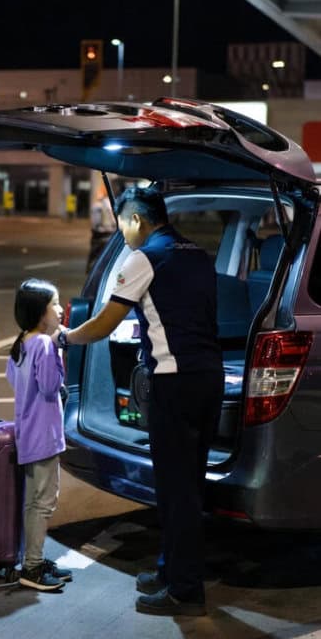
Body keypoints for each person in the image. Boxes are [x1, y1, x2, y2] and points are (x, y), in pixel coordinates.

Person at [58, 186, 223, 616]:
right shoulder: (197, 253)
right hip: (209, 379)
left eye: (122, 223)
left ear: (136, 220)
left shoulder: (143, 258)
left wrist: (65, 337)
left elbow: (104, 323)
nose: (122, 232)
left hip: (175, 383)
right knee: (186, 484)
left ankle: (185, 591)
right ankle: (172, 571)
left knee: (177, 489)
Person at [6, 278, 74, 592]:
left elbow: (13, 379)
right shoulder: (45, 344)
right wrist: (58, 352)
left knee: (33, 501)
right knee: (43, 502)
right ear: (40, 312)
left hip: (26, 432)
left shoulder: (21, 341)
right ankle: (32, 566)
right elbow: (49, 386)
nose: (60, 309)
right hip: (45, 435)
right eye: (55, 304)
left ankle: (32, 559)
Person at [86, 185, 117, 272]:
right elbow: (114, 221)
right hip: (110, 233)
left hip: (99, 233)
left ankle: (90, 268)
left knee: (94, 252)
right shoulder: (112, 204)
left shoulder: (97, 206)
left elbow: (95, 222)